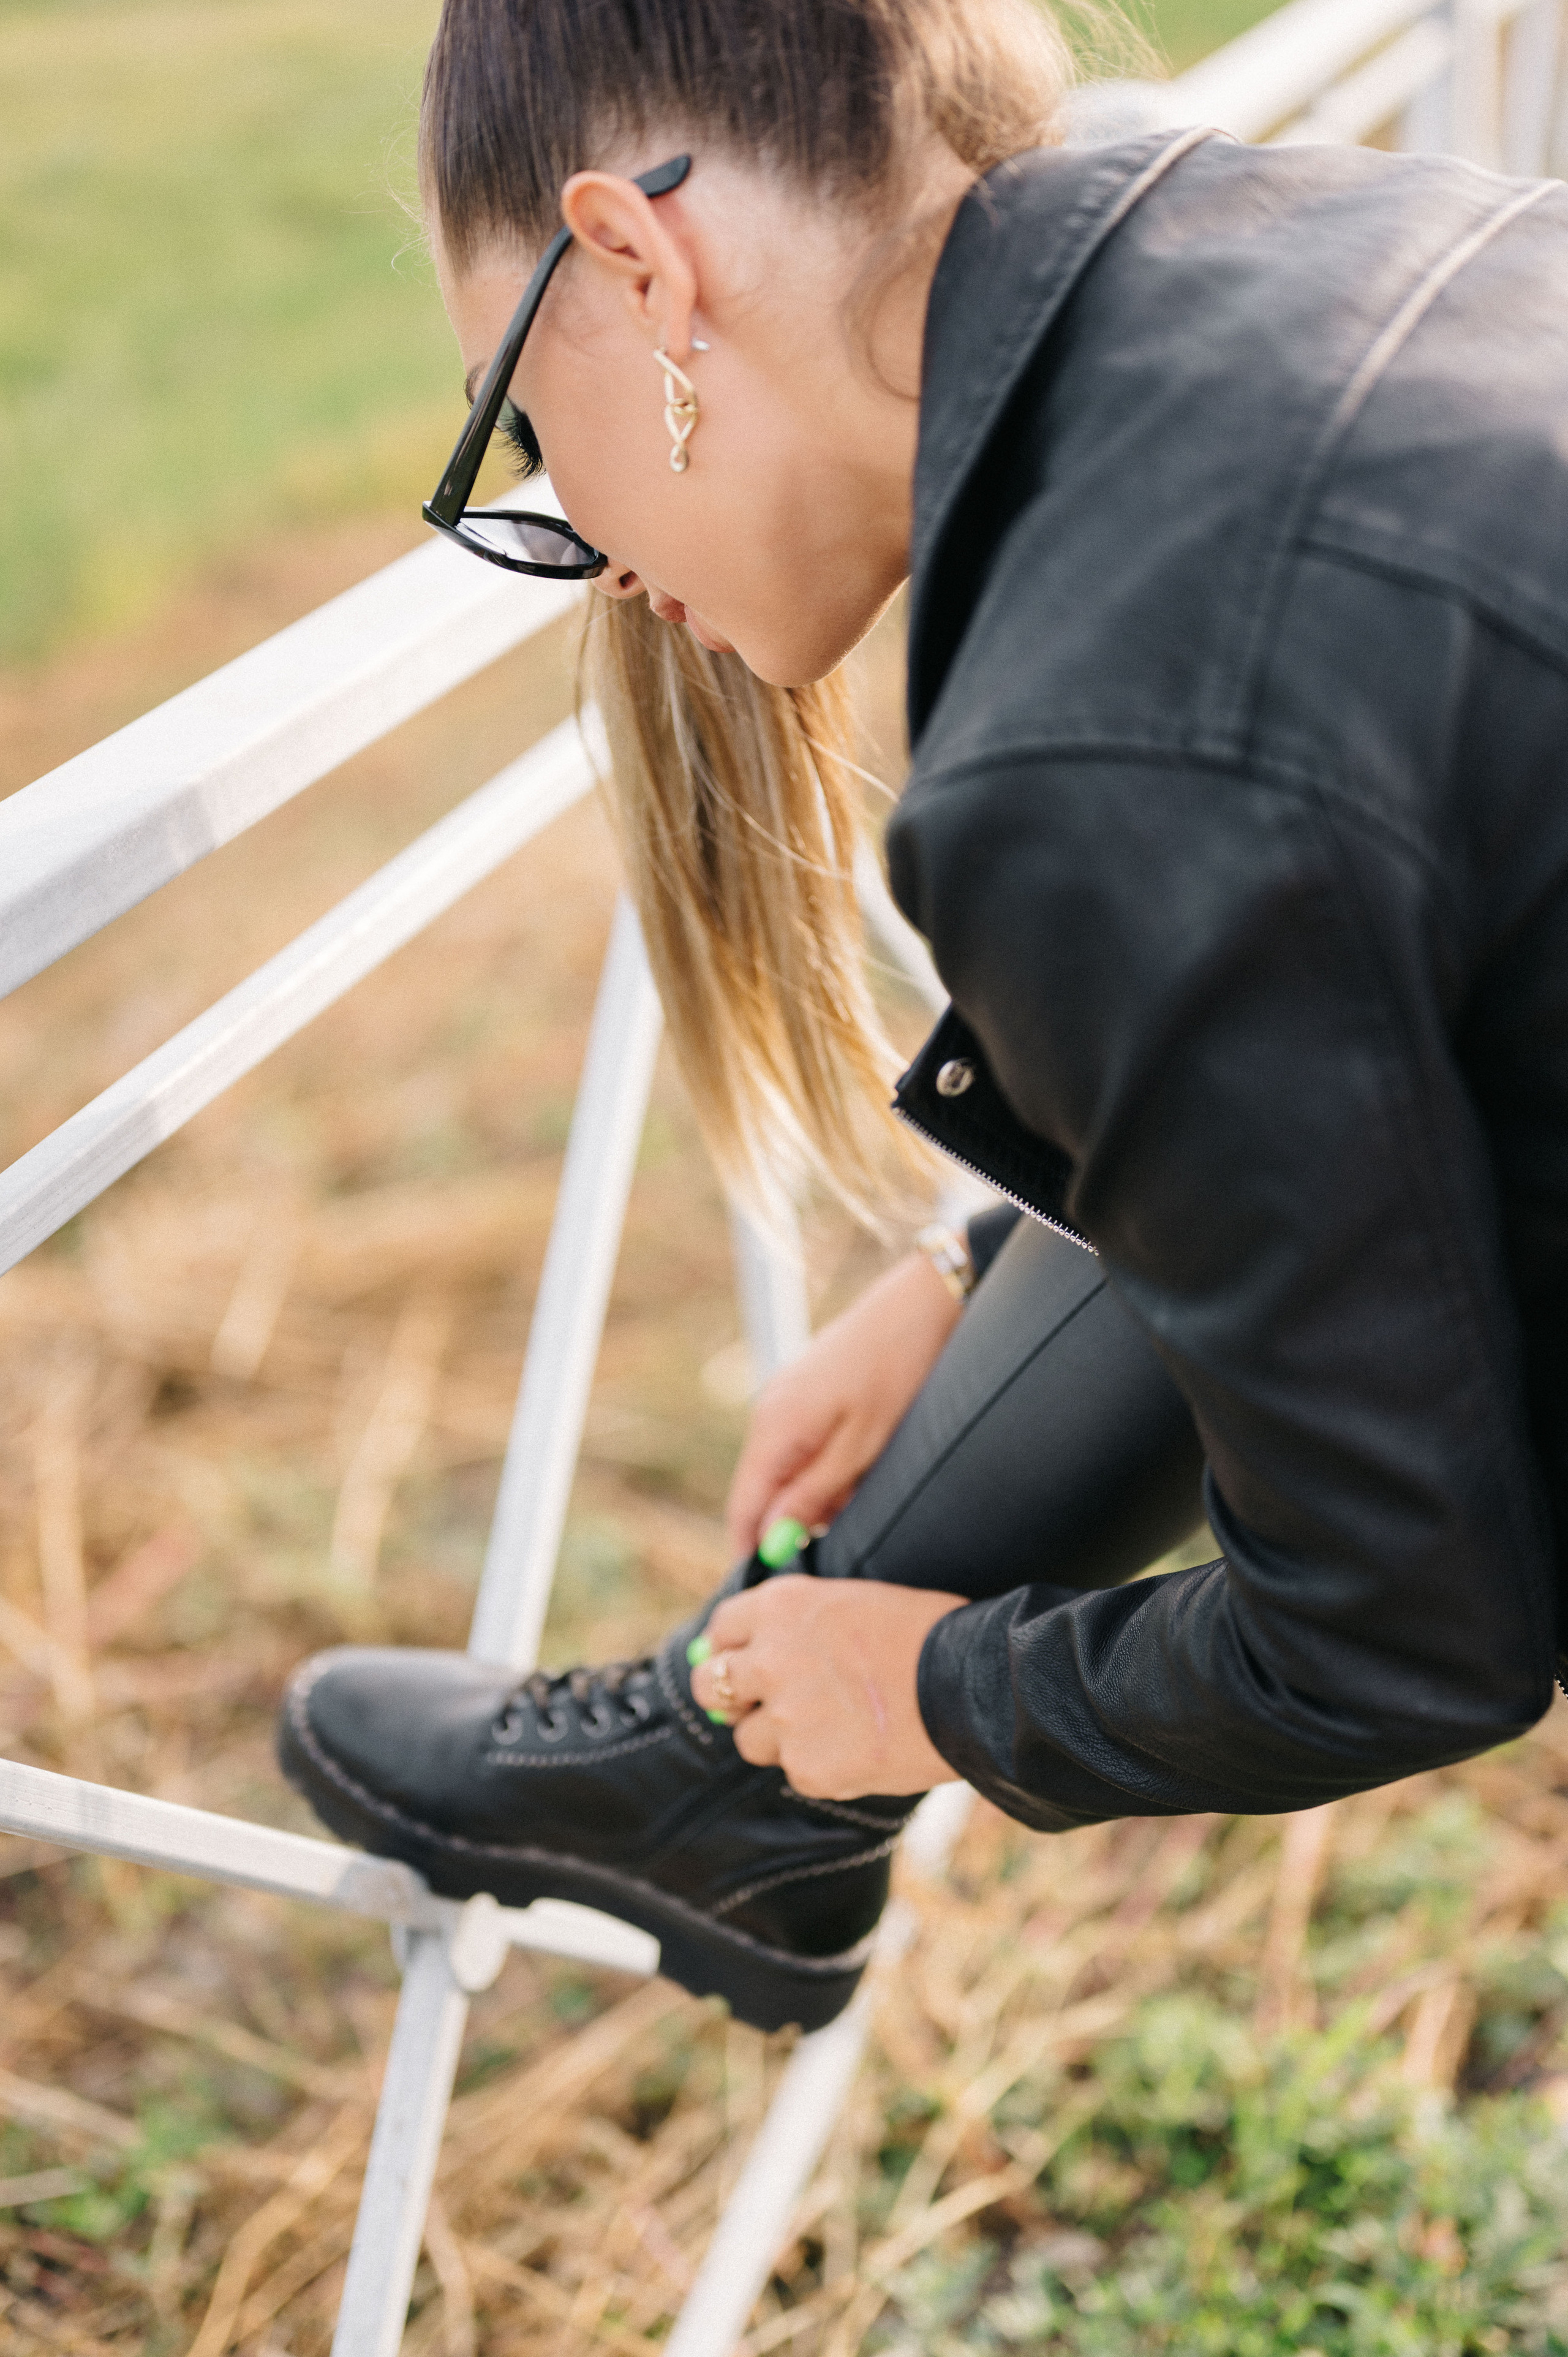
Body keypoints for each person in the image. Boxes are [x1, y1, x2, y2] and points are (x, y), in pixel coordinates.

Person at [279, 0, 1568, 2034]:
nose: (588, 560)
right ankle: (717, 1791)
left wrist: (931, 1698)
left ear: (640, 262)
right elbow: (1383, 981)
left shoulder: (1090, 759)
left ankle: (735, 1789)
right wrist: (988, 1257)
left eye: (521, 432)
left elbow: (1405, 1637)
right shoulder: (1300, 236)